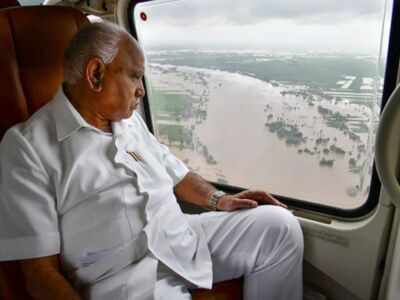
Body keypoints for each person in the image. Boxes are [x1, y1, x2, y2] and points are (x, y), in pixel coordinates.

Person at [0, 22, 303, 300]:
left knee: (278, 227)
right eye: (134, 76)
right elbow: (38, 272)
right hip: (126, 279)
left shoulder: (129, 120)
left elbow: (176, 173)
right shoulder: (27, 147)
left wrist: (219, 199)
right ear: (96, 75)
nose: (141, 90)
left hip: (180, 237)